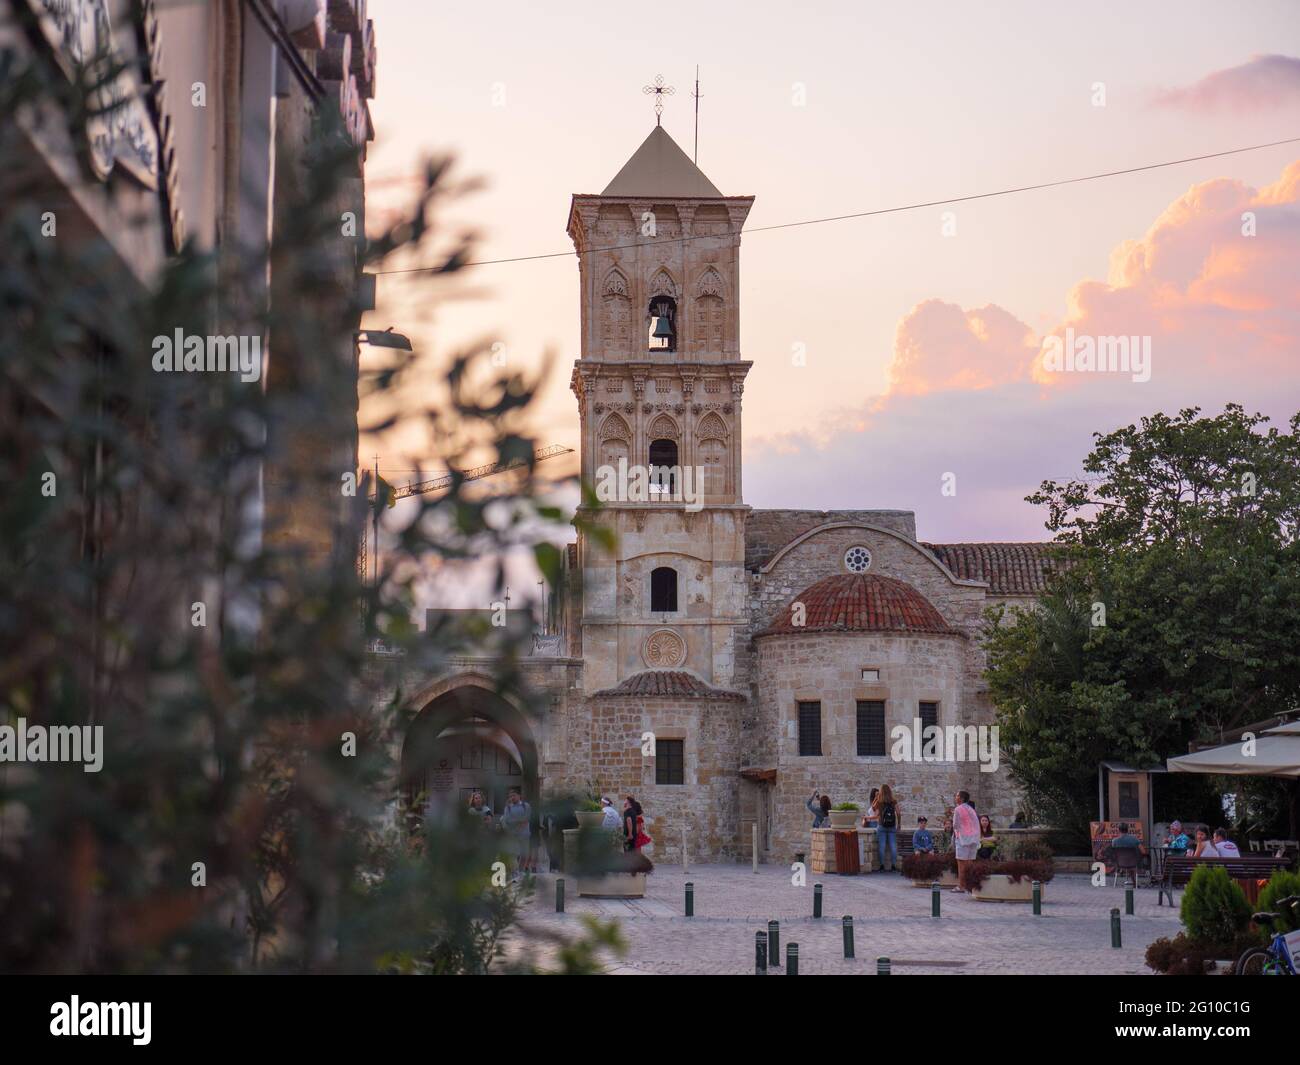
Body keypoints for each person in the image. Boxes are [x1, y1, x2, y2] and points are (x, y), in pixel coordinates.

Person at [951, 791, 980, 892]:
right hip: (973, 838)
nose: (956, 797)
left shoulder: (958, 809)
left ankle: (961, 886)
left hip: (963, 838)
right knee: (970, 862)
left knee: (961, 862)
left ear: (962, 799)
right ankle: (970, 885)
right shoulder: (971, 809)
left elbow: (955, 824)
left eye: (957, 795)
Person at [500, 788, 532, 878]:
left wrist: (517, 823)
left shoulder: (526, 806)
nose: (512, 798)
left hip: (524, 834)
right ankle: (515, 871)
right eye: (510, 796)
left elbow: (526, 819)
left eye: (513, 795)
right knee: (513, 854)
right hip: (512, 835)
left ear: (519, 796)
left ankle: (521, 870)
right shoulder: (508, 808)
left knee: (524, 854)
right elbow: (507, 820)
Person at [875, 784, 900, 872]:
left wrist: (876, 797)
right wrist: (899, 824)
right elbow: (898, 813)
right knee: (893, 846)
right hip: (892, 826)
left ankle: (882, 866)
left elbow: (875, 812)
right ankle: (893, 866)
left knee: (881, 846)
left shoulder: (879, 801)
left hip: (882, 826)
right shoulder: (893, 801)